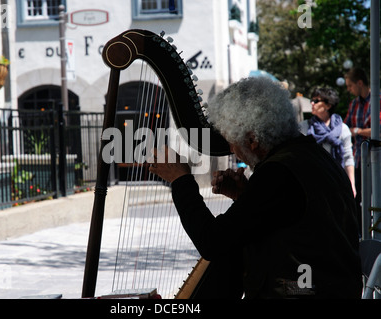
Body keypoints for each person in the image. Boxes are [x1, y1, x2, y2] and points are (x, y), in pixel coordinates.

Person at [149, 77, 362, 299]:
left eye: (231, 141)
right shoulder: (311, 154)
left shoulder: (278, 173)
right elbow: (289, 215)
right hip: (332, 287)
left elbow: (212, 241)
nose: (232, 149)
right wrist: (244, 195)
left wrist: (180, 179)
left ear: (252, 139)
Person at [299, 87, 356, 196]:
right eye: (312, 100)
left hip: (337, 182)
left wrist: (352, 184)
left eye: (316, 101)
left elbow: (348, 158)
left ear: (328, 105)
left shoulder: (343, 129)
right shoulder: (304, 127)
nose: (311, 103)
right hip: (311, 183)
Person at [343, 67, 381, 230]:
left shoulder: (377, 100)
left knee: (376, 198)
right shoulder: (354, 104)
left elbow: (378, 130)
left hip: (376, 160)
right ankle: (359, 232)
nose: (348, 90)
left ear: (360, 83)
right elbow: (346, 128)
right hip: (358, 158)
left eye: (350, 86)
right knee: (356, 198)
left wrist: (357, 131)